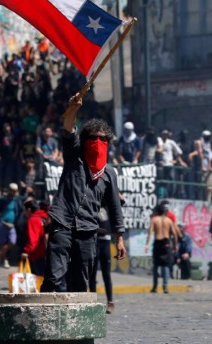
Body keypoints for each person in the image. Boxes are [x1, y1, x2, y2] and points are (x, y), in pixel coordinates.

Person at [41, 95, 126, 293]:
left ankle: (74, 323)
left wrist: (119, 237)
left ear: (109, 143)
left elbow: (115, 207)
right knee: (54, 276)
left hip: (88, 230)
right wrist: (73, 109)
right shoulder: (74, 157)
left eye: (103, 139)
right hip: (62, 222)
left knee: (80, 282)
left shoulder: (109, 173)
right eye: (93, 138)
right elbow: (68, 129)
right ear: (84, 140)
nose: (97, 142)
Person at [89, 207, 115, 313]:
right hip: (94, 242)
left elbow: (120, 201)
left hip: (105, 244)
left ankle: (110, 301)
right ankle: (93, 302)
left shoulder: (108, 206)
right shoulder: (91, 206)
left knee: (106, 275)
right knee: (92, 274)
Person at [146, 205, 176, 294]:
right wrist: (175, 245)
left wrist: (147, 244)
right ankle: (165, 286)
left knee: (156, 265)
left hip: (158, 243)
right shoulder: (169, 220)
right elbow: (174, 234)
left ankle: (155, 286)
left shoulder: (154, 220)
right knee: (166, 265)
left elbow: (150, 232)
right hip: (166, 243)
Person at [0, 183, 22, 268]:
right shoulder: (3, 199)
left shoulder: (16, 200)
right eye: (13, 191)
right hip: (3, 222)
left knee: (12, 241)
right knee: (2, 242)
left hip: (12, 224)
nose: (15, 192)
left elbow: (19, 208)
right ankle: (4, 260)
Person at [21, 200, 49, 277]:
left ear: (29, 210)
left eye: (24, 210)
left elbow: (33, 240)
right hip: (49, 253)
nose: (24, 213)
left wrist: (26, 251)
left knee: (39, 279)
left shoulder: (33, 220)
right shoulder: (45, 216)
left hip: (38, 254)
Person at [0, 123, 17, 189]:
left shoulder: (13, 135)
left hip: (11, 154)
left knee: (11, 170)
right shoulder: (1, 136)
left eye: (8, 127)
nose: (7, 128)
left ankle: (11, 183)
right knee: (3, 169)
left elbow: (17, 145)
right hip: (3, 155)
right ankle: (2, 184)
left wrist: (15, 153)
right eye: (5, 127)